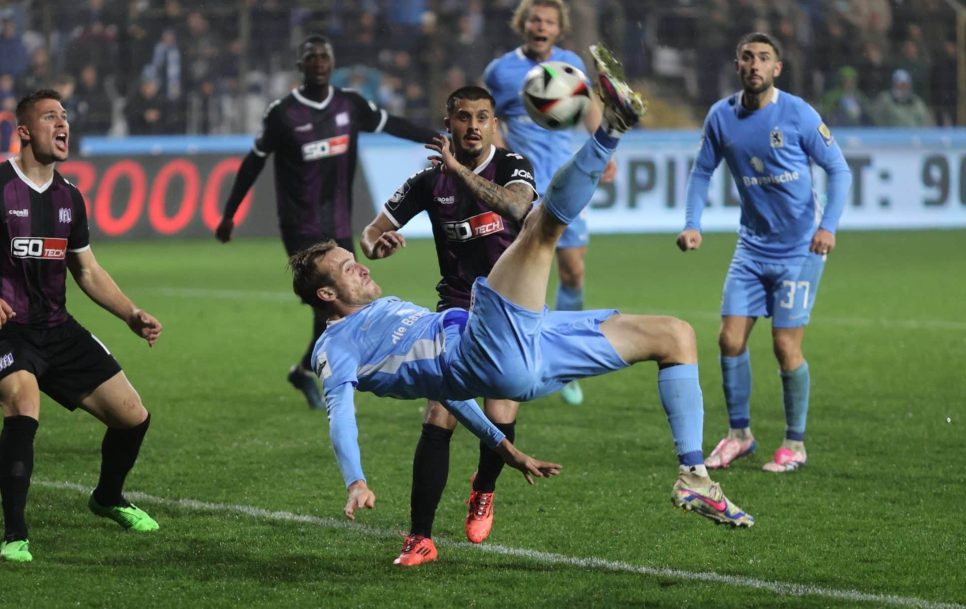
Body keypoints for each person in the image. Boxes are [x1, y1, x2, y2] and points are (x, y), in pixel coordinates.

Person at [291, 45, 753, 569]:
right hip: (487, 335)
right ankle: (612, 127)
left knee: (675, 335)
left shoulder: (505, 170)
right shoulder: (336, 345)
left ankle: (693, 475)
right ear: (327, 296)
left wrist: (503, 448)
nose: (363, 267)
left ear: (493, 124)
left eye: (483, 117)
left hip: (517, 347)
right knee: (540, 229)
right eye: (348, 268)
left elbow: (446, 383)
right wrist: (356, 479)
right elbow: (341, 416)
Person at [360, 86, 538, 561]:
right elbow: (372, 232)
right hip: (457, 308)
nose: (473, 126)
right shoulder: (426, 183)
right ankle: (420, 536)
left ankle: (483, 487)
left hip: (509, 307)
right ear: (449, 122)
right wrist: (377, 245)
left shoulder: (514, 166)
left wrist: (457, 171)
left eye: (482, 117)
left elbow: (517, 207)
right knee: (441, 411)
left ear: (494, 124)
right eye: (464, 117)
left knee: (500, 416)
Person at [215, 35, 438, 410]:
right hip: (300, 225)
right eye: (311, 57)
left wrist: (435, 136)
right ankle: (331, 373)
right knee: (333, 298)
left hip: (337, 223)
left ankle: (308, 369)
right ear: (300, 66)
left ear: (332, 64)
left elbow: (391, 124)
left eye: (324, 56)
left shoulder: (349, 104)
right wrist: (229, 214)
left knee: (342, 301)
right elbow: (253, 162)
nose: (318, 62)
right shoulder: (282, 113)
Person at [676, 33, 852, 474]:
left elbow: (839, 170)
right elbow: (701, 172)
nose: (755, 65)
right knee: (729, 339)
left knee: (784, 346)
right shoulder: (721, 117)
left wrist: (827, 227)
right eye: (748, 57)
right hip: (751, 248)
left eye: (764, 58)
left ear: (777, 68)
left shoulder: (798, 114)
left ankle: (795, 443)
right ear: (738, 65)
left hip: (799, 250)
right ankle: (739, 435)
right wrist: (692, 223)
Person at [0, 89, 163, 563]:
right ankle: (15, 534)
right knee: (23, 405)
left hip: (57, 328)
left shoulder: (69, 196)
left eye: (65, 116)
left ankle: (108, 497)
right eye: (50, 116)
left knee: (133, 416)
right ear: (25, 131)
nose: (63, 123)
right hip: (9, 330)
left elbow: (87, 271)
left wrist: (131, 313)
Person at [483, 0, 623, 407]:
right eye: (534, 19)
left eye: (548, 20)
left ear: (558, 29)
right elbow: (487, 118)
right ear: (522, 24)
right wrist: (502, 155)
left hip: (565, 185)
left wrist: (604, 151)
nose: (540, 25)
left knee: (574, 272)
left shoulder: (568, 63)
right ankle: (508, 354)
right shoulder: (501, 71)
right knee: (512, 272)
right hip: (519, 189)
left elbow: (588, 110)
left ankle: (563, 358)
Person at [869, 68, 934, 127]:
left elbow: (924, 121)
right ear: (894, 84)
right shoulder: (884, 99)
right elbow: (876, 120)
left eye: (906, 85)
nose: (903, 88)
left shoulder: (917, 102)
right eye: (900, 85)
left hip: (913, 137)